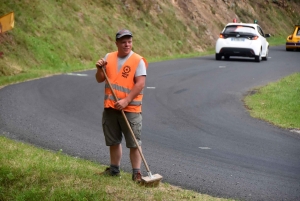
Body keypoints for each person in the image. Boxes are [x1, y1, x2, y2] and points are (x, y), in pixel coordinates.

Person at [95, 29, 148, 182]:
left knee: (134, 143)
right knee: (113, 141)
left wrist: (126, 101)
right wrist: (100, 69)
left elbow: (140, 84)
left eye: (129, 41)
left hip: (130, 109)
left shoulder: (138, 60)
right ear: (117, 43)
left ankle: (136, 173)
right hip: (111, 107)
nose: (127, 44)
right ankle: (114, 170)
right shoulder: (108, 57)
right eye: (123, 42)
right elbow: (99, 79)